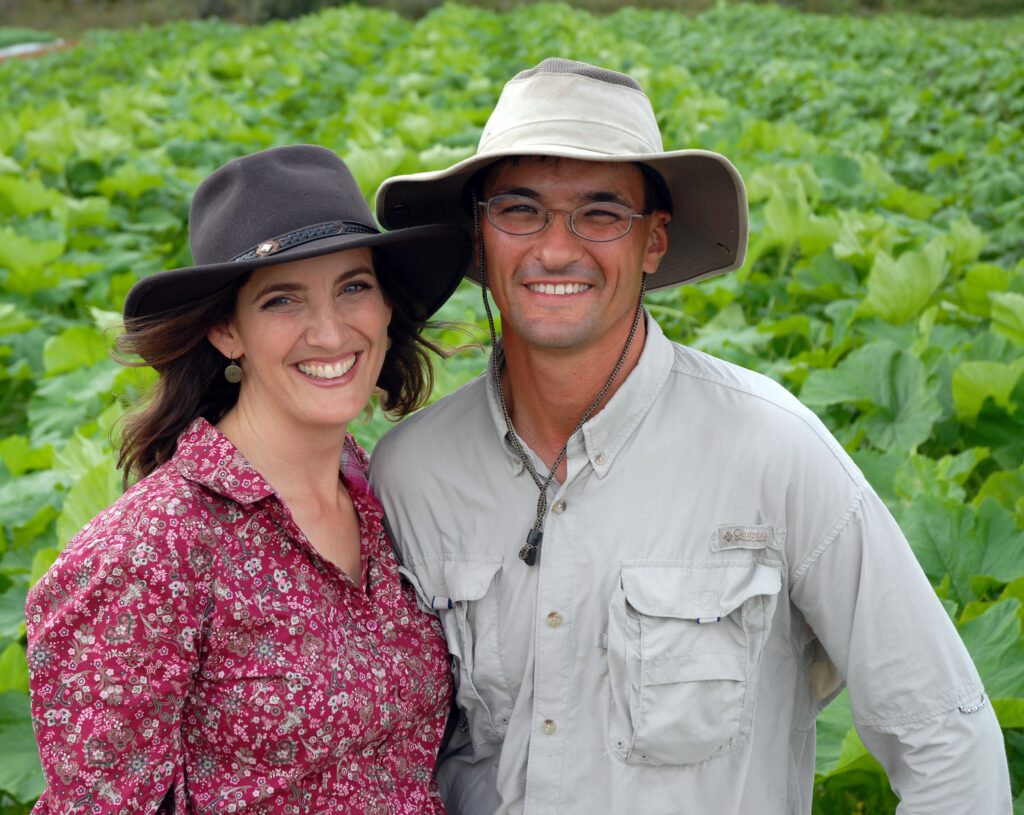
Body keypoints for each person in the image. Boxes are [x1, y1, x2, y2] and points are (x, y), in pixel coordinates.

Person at [367, 59, 1012, 814]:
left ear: (654, 243)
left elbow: (947, 737)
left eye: (602, 213)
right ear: (478, 237)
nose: (556, 248)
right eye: (520, 209)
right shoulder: (410, 472)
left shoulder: (774, 451)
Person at [25, 144, 471, 814]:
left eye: (354, 286)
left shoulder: (383, 496)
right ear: (226, 330)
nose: (329, 330)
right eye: (282, 300)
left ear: (385, 307)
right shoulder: (151, 548)